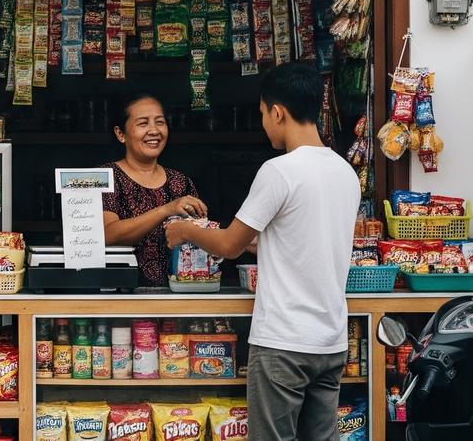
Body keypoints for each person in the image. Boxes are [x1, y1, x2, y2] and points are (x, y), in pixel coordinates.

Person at [165, 62, 358, 441]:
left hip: (284, 343)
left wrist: (182, 230)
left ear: (278, 112)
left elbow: (229, 245)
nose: (264, 125)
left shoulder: (279, 170)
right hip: (330, 341)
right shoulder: (344, 171)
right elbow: (302, 238)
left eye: (262, 115)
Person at [102, 93, 208, 287]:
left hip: (178, 297)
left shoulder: (181, 182)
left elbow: (202, 238)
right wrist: (167, 209)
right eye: (143, 123)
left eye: (160, 122)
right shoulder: (105, 177)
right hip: (120, 295)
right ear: (120, 134)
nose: (154, 130)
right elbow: (108, 235)